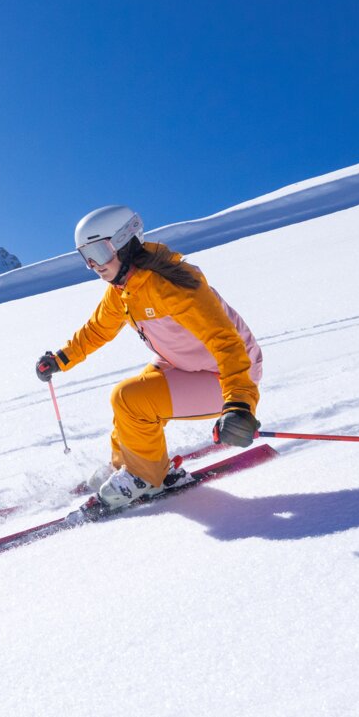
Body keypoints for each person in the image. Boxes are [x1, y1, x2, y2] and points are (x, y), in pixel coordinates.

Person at [35, 205, 264, 509]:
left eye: (100, 252)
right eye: (86, 257)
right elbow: (97, 330)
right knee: (128, 404)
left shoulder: (173, 284)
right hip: (187, 365)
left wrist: (239, 404)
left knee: (130, 399)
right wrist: (61, 358)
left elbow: (226, 343)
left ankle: (143, 478)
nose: (94, 265)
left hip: (228, 376)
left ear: (124, 241)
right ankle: (127, 466)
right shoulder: (123, 289)